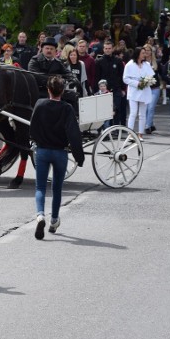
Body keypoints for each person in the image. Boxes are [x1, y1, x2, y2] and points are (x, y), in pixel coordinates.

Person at [29, 75, 85, 240]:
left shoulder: (40, 104)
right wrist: (79, 157)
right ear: (63, 91)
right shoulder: (67, 108)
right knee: (57, 188)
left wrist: (36, 141)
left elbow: (33, 128)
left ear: (48, 90)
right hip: (60, 152)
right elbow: (74, 135)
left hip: (43, 151)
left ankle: (40, 215)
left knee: (40, 187)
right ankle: (54, 220)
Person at [122, 47, 154, 140]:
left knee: (142, 114)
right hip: (134, 91)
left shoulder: (147, 64)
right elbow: (125, 79)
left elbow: (151, 76)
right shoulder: (129, 65)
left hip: (144, 91)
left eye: (145, 53)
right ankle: (130, 134)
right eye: (143, 53)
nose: (145, 54)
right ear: (138, 54)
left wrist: (147, 82)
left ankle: (140, 134)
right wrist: (137, 83)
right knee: (133, 113)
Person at [96, 41, 126, 126]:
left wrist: (123, 89)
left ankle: (115, 128)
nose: (108, 50)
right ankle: (105, 129)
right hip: (104, 90)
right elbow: (97, 77)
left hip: (116, 89)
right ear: (103, 49)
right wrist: (97, 90)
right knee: (104, 110)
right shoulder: (99, 61)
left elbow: (121, 76)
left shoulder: (118, 61)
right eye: (106, 48)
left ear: (112, 49)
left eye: (109, 48)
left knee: (116, 109)